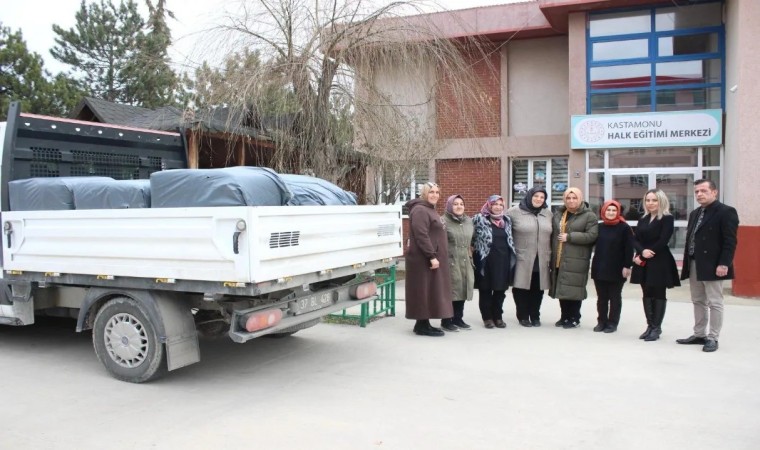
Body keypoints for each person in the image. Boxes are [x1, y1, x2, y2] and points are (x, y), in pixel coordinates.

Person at [677, 179, 739, 353]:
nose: (699, 194)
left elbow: (730, 241)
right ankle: (699, 334)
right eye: (697, 191)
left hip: (714, 265)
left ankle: (713, 337)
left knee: (715, 302)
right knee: (698, 300)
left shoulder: (726, 212)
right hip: (695, 263)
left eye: (703, 191)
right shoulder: (695, 213)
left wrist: (724, 263)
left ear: (714, 192)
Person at [630, 189, 680, 342]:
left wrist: (648, 252)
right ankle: (650, 326)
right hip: (644, 260)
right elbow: (635, 239)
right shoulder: (643, 218)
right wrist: (640, 253)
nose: (650, 203)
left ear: (661, 201)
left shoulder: (667, 218)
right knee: (646, 293)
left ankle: (656, 328)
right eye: (648, 200)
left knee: (658, 293)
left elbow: (664, 239)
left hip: (659, 260)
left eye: (654, 200)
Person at [404, 182, 454, 337]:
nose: (435, 195)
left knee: (429, 291)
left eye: (437, 192)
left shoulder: (429, 209)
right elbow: (421, 235)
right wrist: (432, 256)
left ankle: (423, 323)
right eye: (431, 192)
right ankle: (421, 325)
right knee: (423, 290)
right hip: (422, 260)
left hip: (429, 258)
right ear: (424, 194)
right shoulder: (420, 210)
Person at [549, 187, 598, 329]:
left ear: (580, 198)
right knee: (562, 289)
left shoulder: (589, 216)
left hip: (577, 259)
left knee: (574, 290)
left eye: (574, 198)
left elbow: (592, 236)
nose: (571, 201)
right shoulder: (559, 213)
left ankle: (575, 318)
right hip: (560, 257)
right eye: (568, 198)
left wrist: (570, 237)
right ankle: (564, 317)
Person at [506, 187, 552, 327]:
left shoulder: (548, 214)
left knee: (538, 288)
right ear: (529, 196)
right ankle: (523, 316)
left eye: (542, 197)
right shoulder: (514, 212)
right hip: (522, 257)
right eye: (536, 196)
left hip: (542, 258)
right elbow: (506, 234)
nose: (539, 199)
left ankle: (535, 315)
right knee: (521, 287)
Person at [472, 194, 516, 329]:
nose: (497, 207)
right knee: (485, 290)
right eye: (495, 204)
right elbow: (471, 237)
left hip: (503, 261)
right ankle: (487, 318)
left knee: (500, 291)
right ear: (489, 205)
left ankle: (498, 317)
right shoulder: (479, 218)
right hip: (485, 261)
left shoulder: (507, 220)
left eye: (500, 205)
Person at [590, 200, 634, 333]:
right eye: (608, 210)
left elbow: (629, 248)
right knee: (601, 298)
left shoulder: (624, 228)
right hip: (600, 266)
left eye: (614, 210)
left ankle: (612, 323)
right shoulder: (599, 227)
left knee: (615, 297)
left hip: (617, 268)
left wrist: (627, 266)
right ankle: (601, 321)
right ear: (603, 211)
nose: (611, 213)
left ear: (618, 212)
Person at [441, 194, 475, 332]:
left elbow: (472, 240)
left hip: (466, 260)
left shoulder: (468, 221)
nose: (459, 206)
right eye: (455, 204)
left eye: (461, 204)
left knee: (462, 289)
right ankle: (446, 320)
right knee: (451, 291)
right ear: (449, 205)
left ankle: (458, 318)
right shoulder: (443, 221)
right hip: (450, 261)